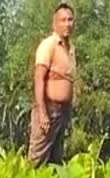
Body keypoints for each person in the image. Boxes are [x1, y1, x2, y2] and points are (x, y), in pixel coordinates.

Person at [28, 3, 76, 167]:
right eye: (63, 20)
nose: (67, 24)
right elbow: (39, 79)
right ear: (54, 23)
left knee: (56, 159)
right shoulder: (48, 45)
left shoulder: (70, 49)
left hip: (63, 111)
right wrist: (42, 113)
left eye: (70, 20)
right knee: (38, 157)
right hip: (49, 108)